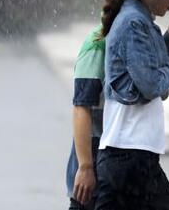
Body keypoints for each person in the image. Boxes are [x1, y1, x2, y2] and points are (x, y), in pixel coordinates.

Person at [94, 0, 169, 210]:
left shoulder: (139, 20)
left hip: (132, 157)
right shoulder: (133, 22)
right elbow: (150, 83)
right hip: (129, 155)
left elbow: (145, 68)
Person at [67, 25, 105, 210]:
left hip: (120, 162)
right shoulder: (98, 43)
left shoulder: (130, 35)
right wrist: (85, 167)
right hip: (97, 158)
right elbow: (81, 107)